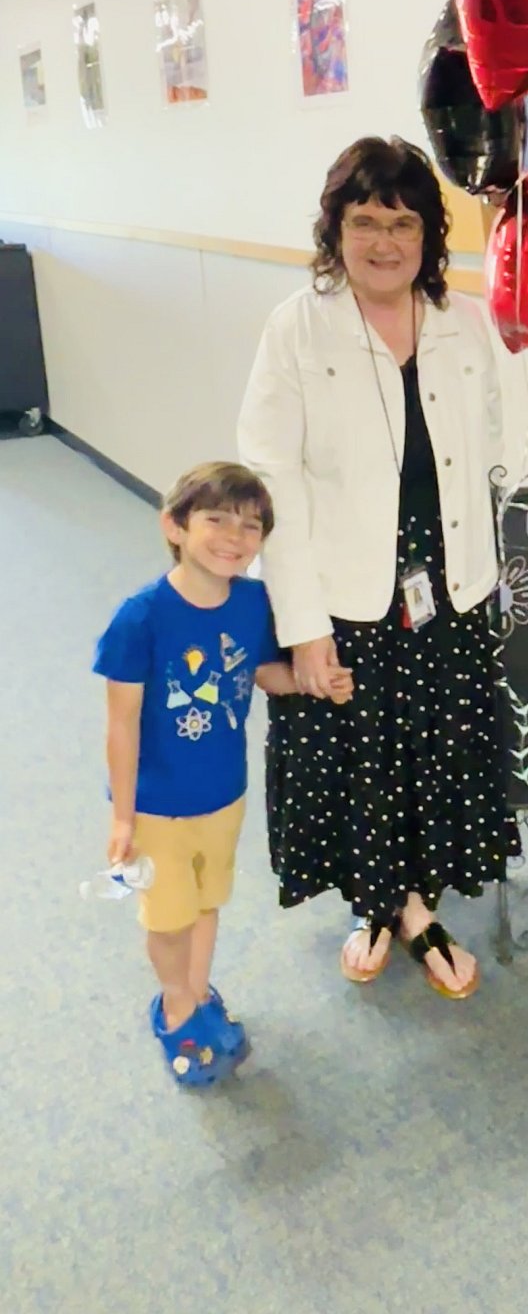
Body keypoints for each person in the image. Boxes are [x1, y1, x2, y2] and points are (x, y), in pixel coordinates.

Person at [238, 135, 515, 999]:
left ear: (430, 234)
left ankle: (417, 904)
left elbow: (491, 446)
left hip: (448, 582)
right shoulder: (298, 327)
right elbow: (272, 479)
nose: (384, 242)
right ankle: (379, 905)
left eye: (403, 223)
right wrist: (302, 625)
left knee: (435, 745)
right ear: (336, 230)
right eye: (364, 222)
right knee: (361, 755)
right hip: (343, 589)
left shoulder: (464, 323)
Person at [92, 463, 334, 1087]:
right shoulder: (140, 618)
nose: (234, 536)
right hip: (157, 806)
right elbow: (121, 724)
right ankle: (176, 1008)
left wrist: (311, 682)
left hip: (224, 794)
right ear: (174, 527)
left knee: (205, 902)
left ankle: (198, 992)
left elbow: (261, 672)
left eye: (250, 526)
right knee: (168, 916)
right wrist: (122, 815)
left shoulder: (252, 602)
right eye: (216, 520)